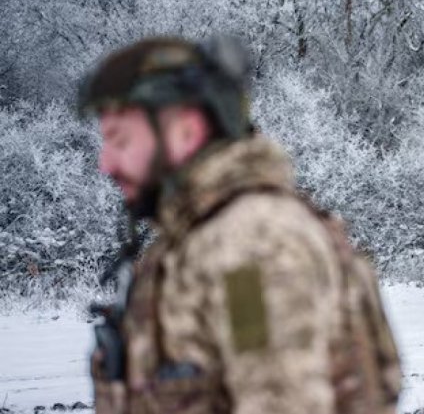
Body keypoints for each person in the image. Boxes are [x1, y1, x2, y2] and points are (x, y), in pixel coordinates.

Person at [77, 36, 401, 414]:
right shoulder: (194, 239)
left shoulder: (252, 244)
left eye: (120, 140)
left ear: (186, 132)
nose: (105, 163)